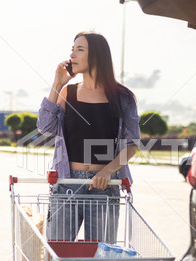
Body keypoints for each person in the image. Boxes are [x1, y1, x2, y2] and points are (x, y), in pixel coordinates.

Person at [37, 31, 140, 243]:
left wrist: (108, 170)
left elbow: (132, 143)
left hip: (103, 188)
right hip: (66, 184)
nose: (72, 55)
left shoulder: (123, 98)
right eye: (71, 50)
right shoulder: (68, 92)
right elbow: (45, 128)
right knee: (60, 257)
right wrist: (57, 84)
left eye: (79, 50)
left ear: (96, 56)